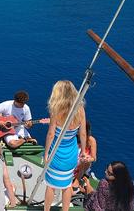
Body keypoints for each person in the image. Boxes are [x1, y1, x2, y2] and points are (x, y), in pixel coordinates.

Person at [43, 80, 90, 211]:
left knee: (51, 186)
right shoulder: (80, 110)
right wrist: (83, 152)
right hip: (71, 154)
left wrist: (46, 154)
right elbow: (83, 134)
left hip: (56, 154)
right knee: (67, 184)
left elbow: (51, 134)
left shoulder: (56, 110)